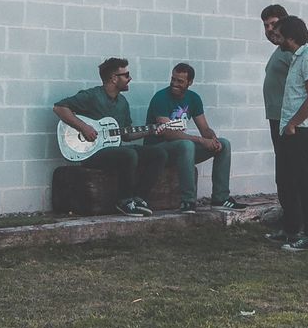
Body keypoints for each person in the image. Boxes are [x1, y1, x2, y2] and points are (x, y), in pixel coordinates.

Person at [53, 57, 162, 216]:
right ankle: (124, 201)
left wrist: (151, 130)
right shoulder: (92, 96)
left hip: (115, 153)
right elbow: (59, 108)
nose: (129, 78)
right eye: (126, 75)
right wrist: (83, 127)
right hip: (92, 153)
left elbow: (126, 135)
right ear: (113, 78)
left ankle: (138, 199)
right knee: (128, 154)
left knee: (158, 153)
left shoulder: (122, 102)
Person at [145, 62, 235, 209]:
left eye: (180, 81)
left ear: (190, 82)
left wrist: (212, 139)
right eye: (173, 79)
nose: (174, 83)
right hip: (158, 151)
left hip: (181, 150)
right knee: (186, 145)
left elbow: (204, 128)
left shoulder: (193, 98)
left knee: (224, 144)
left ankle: (220, 198)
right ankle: (188, 201)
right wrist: (200, 140)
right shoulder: (160, 97)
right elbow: (168, 133)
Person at [273, 14, 308, 252]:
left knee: (305, 182)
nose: (278, 38)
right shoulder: (296, 58)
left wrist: (293, 123)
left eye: (281, 34)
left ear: (291, 36)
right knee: (294, 181)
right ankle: (295, 229)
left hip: (305, 129)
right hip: (294, 129)